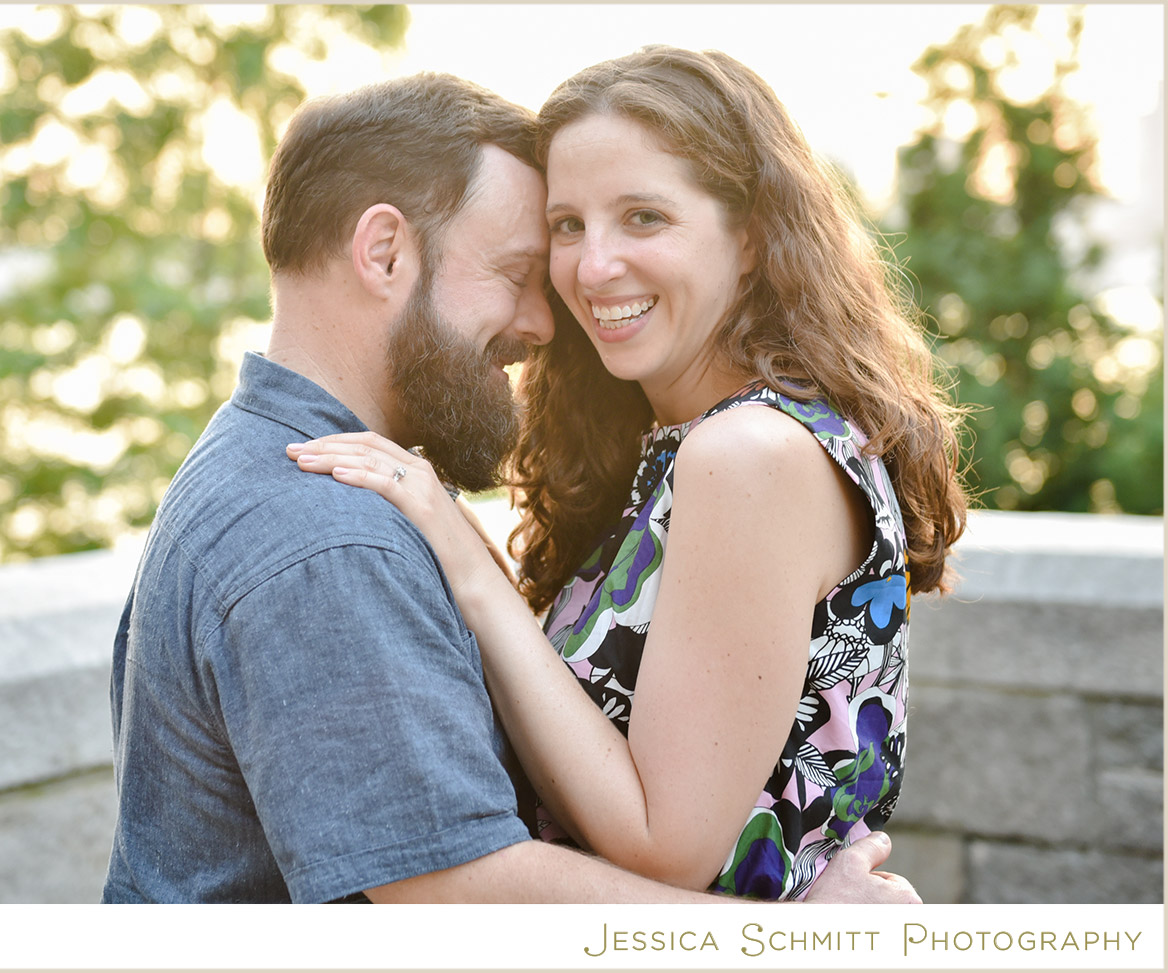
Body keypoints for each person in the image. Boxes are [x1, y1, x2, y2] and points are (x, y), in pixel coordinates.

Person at [102, 70, 920, 904]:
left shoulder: (744, 451)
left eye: (643, 216)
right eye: (555, 237)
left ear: (750, 236)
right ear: (383, 252)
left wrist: (472, 571)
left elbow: (589, 854)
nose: (560, 300)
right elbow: (453, 892)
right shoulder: (323, 525)